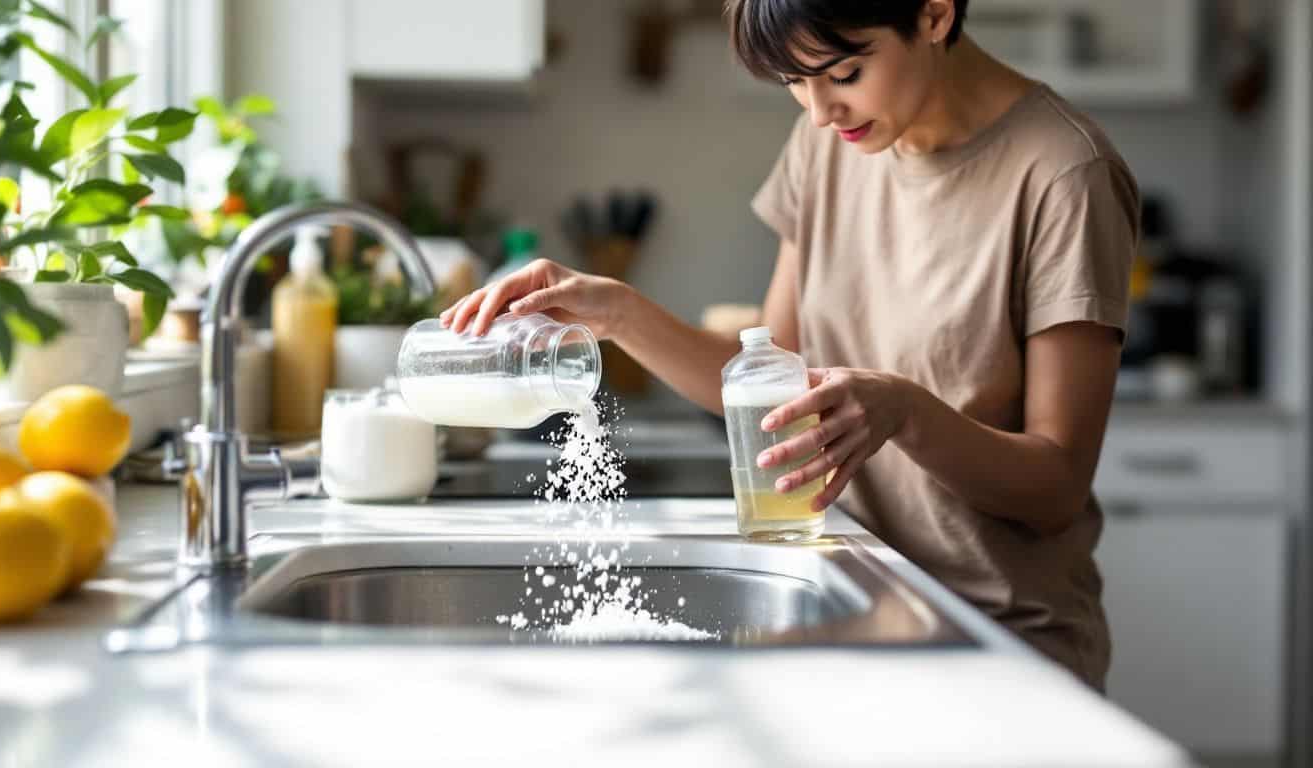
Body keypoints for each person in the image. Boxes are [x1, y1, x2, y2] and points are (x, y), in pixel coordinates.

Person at [440, 0, 1140, 690]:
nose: (818, 111)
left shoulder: (1063, 175)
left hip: (999, 642)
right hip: (856, 602)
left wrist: (906, 412)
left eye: (842, 72)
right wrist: (620, 313)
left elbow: (1055, 487)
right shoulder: (831, 142)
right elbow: (763, 382)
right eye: (795, 84)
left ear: (934, 15)